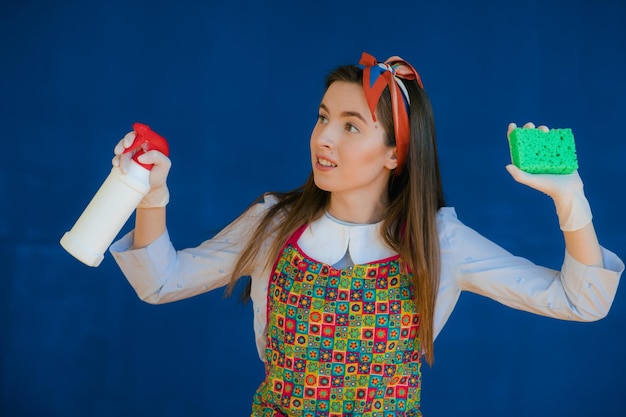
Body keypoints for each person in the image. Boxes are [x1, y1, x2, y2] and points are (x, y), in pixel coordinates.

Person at [110, 52, 624, 417]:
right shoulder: (274, 223)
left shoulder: (440, 242)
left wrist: (569, 198)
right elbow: (161, 282)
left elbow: (580, 302)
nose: (323, 138)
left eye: (350, 126)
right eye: (322, 117)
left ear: (396, 154)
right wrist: (151, 196)